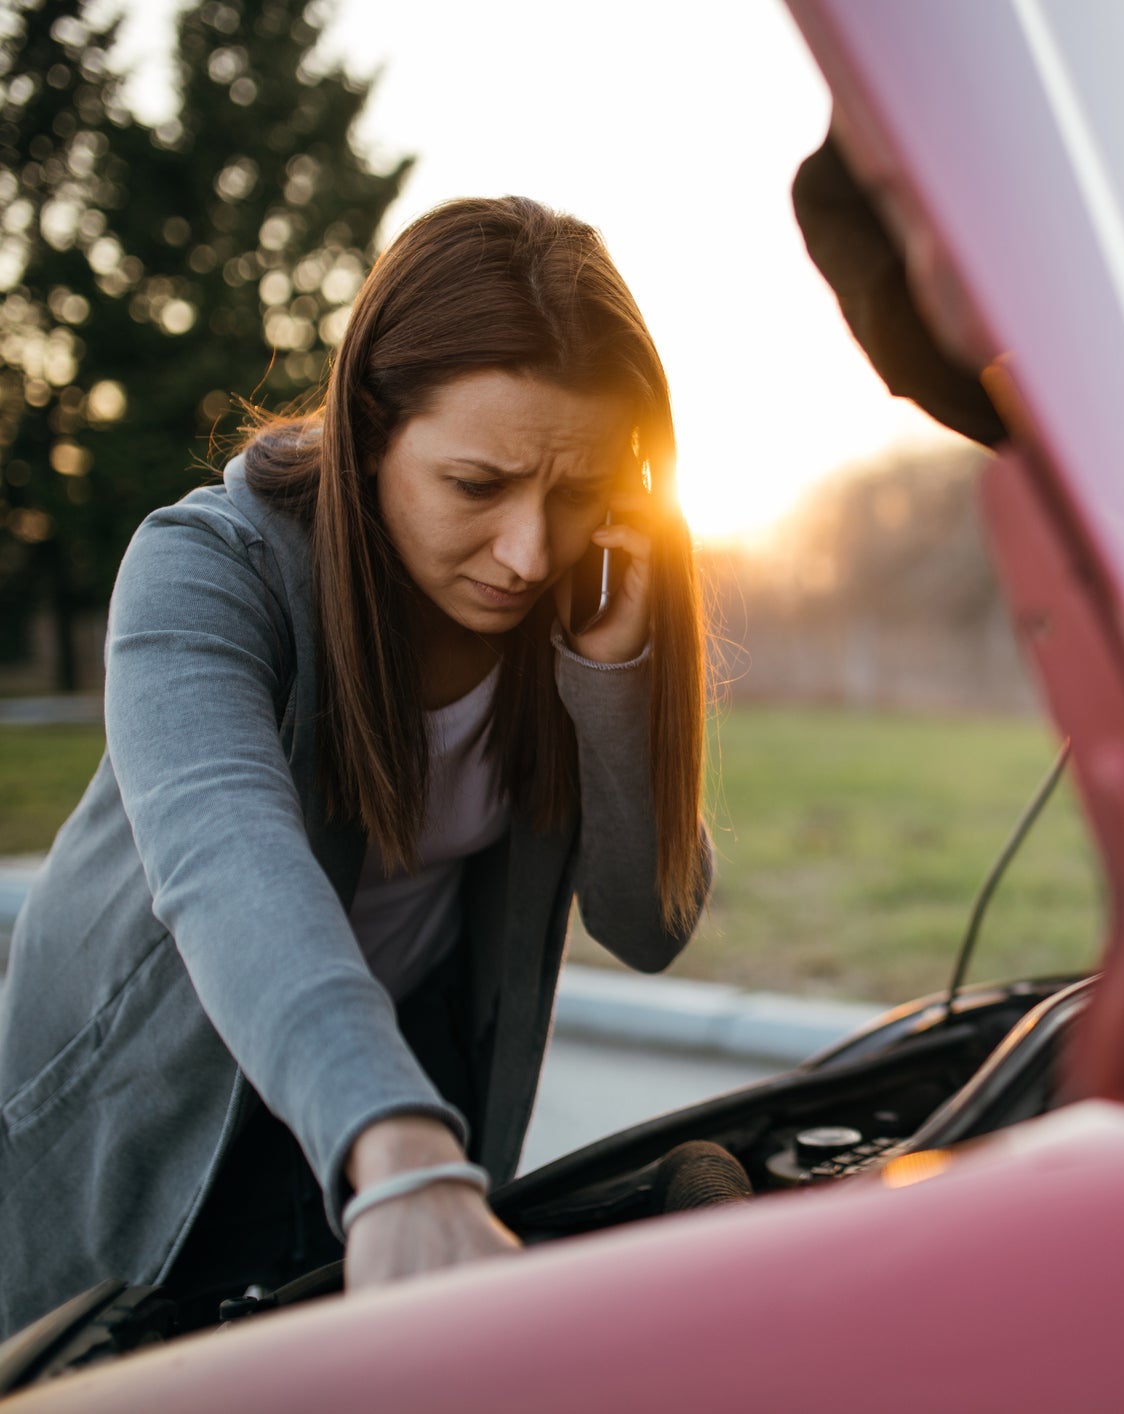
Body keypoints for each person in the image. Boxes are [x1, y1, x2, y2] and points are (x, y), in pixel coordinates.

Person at [0, 196, 712, 1337]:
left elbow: (650, 922)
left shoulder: (574, 614)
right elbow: (229, 869)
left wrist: (612, 675)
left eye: (577, 495)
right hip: (160, 1123)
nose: (530, 552)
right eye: (477, 486)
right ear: (370, 430)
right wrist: (400, 1149)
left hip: (398, 1108)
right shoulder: (202, 573)